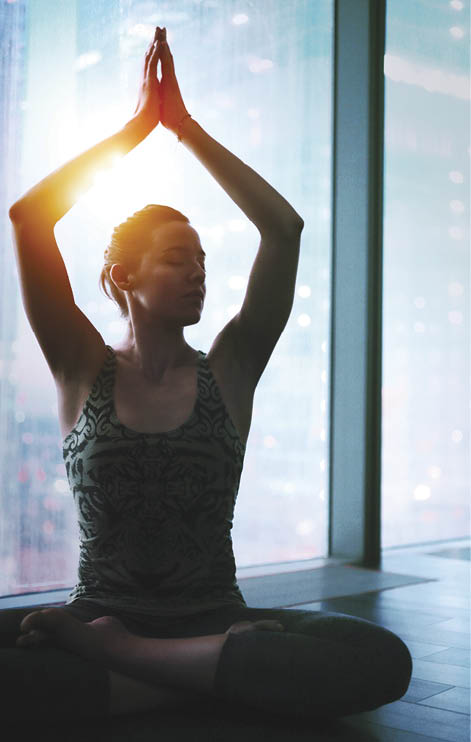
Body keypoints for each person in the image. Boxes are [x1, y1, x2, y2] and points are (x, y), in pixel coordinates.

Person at [4, 26, 412, 723]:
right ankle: (191, 677)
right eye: (175, 260)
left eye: (202, 263)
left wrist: (185, 128)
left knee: (381, 660)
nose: (196, 274)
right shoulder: (80, 364)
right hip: (148, 624)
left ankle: (125, 664)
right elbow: (29, 217)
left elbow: (281, 228)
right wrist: (137, 128)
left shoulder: (230, 367)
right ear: (121, 278)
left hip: (213, 622)